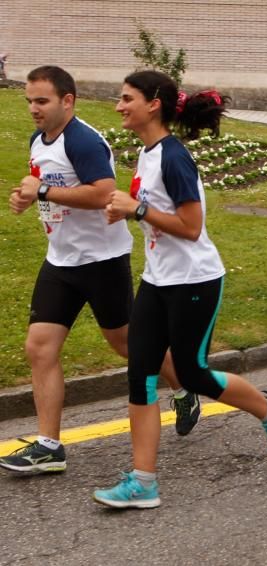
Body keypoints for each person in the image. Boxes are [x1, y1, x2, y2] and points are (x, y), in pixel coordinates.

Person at [93, 70, 267, 509]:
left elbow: (191, 226)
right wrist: (128, 211)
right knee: (141, 375)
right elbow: (151, 211)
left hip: (194, 281)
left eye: (127, 98)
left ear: (154, 104)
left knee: (192, 374)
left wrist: (137, 209)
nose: (119, 106)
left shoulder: (173, 157)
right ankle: (143, 482)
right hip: (157, 279)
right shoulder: (147, 154)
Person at [2, 66, 198, 475]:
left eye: (42, 101)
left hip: (101, 262)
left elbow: (104, 193)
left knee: (126, 343)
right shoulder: (39, 141)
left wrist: (43, 190)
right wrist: (28, 197)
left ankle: (183, 387)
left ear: (67, 100)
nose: (34, 109)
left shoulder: (84, 141)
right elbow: (45, 186)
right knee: (39, 347)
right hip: (61, 260)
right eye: (30, 102)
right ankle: (49, 447)